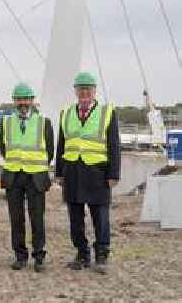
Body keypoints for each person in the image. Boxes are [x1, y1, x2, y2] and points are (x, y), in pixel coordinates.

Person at [56, 72, 120, 274]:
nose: (84, 92)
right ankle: (82, 253)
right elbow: (61, 144)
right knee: (75, 217)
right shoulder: (65, 113)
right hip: (73, 171)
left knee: (100, 216)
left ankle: (102, 254)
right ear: (75, 91)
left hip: (97, 172)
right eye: (80, 89)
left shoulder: (107, 113)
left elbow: (114, 145)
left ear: (94, 91)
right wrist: (59, 172)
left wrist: (113, 174)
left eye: (88, 89)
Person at [0, 83, 54, 272]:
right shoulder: (6, 122)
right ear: (14, 101)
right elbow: (4, 149)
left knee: (37, 218)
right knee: (16, 219)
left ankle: (39, 256)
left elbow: (50, 152)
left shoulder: (44, 122)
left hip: (36, 177)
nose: (23, 103)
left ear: (32, 101)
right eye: (19, 99)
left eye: (26, 99)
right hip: (13, 176)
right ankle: (20, 256)